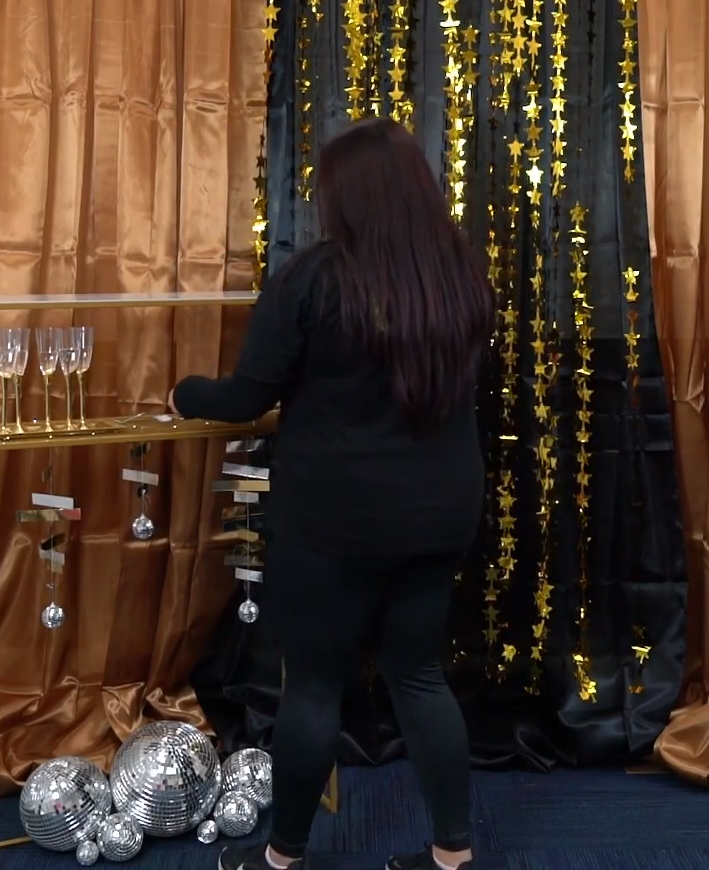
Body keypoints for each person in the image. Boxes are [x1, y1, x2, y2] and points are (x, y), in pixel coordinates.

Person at [170, 118, 493, 870]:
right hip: (438, 512)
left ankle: (282, 861)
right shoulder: (459, 277)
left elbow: (248, 396)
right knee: (419, 676)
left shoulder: (313, 279)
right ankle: (455, 858)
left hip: (332, 521)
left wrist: (187, 393)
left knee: (313, 687)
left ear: (345, 197)